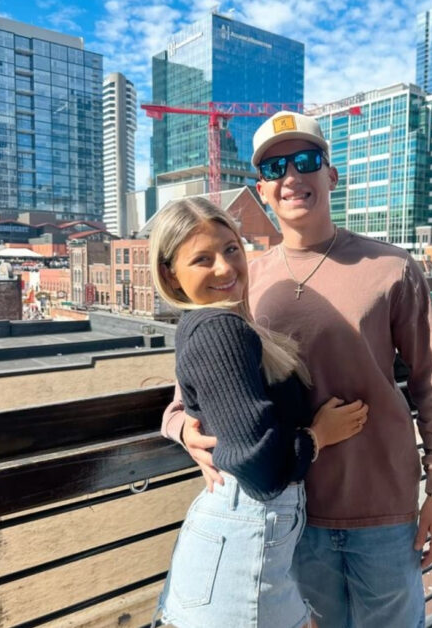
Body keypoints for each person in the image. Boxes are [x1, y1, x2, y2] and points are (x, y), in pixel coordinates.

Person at [163, 112, 432, 627]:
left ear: (331, 174)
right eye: (274, 167)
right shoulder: (240, 279)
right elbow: (187, 393)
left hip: (383, 509)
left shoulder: (392, 268)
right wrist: (182, 431)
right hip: (291, 516)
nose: (291, 176)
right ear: (263, 190)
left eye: (306, 160)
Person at [150, 197, 368, 628]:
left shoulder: (217, 326)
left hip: (243, 536)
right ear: (171, 275)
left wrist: (180, 425)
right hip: (244, 539)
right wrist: (319, 435)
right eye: (202, 259)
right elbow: (262, 470)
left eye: (231, 249)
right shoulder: (220, 331)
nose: (225, 268)